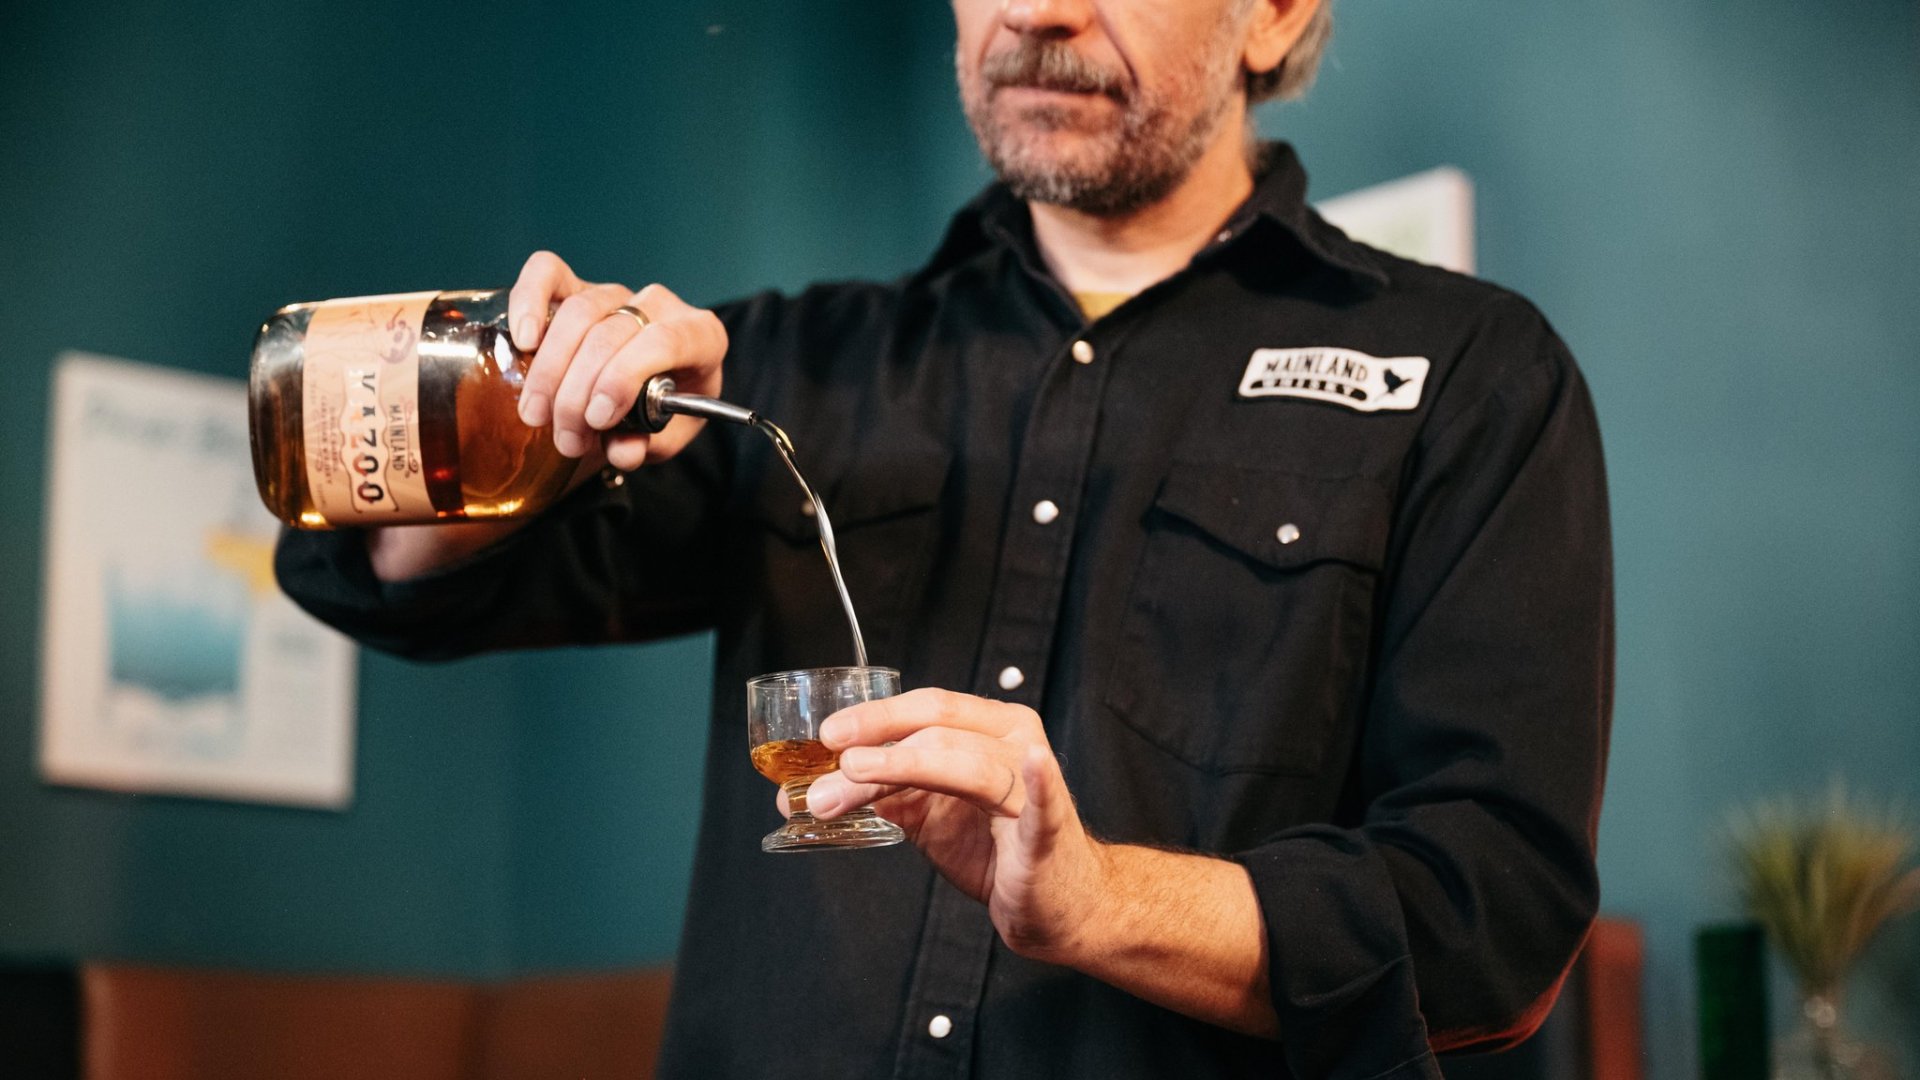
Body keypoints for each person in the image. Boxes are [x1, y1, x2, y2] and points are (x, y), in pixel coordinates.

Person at [277, 0, 1613, 1076]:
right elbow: (399, 589)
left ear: (1273, 15)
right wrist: (522, 416)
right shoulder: (787, 368)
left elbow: (1490, 918)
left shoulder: (1472, 375)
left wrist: (1100, 902)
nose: (1035, 14)